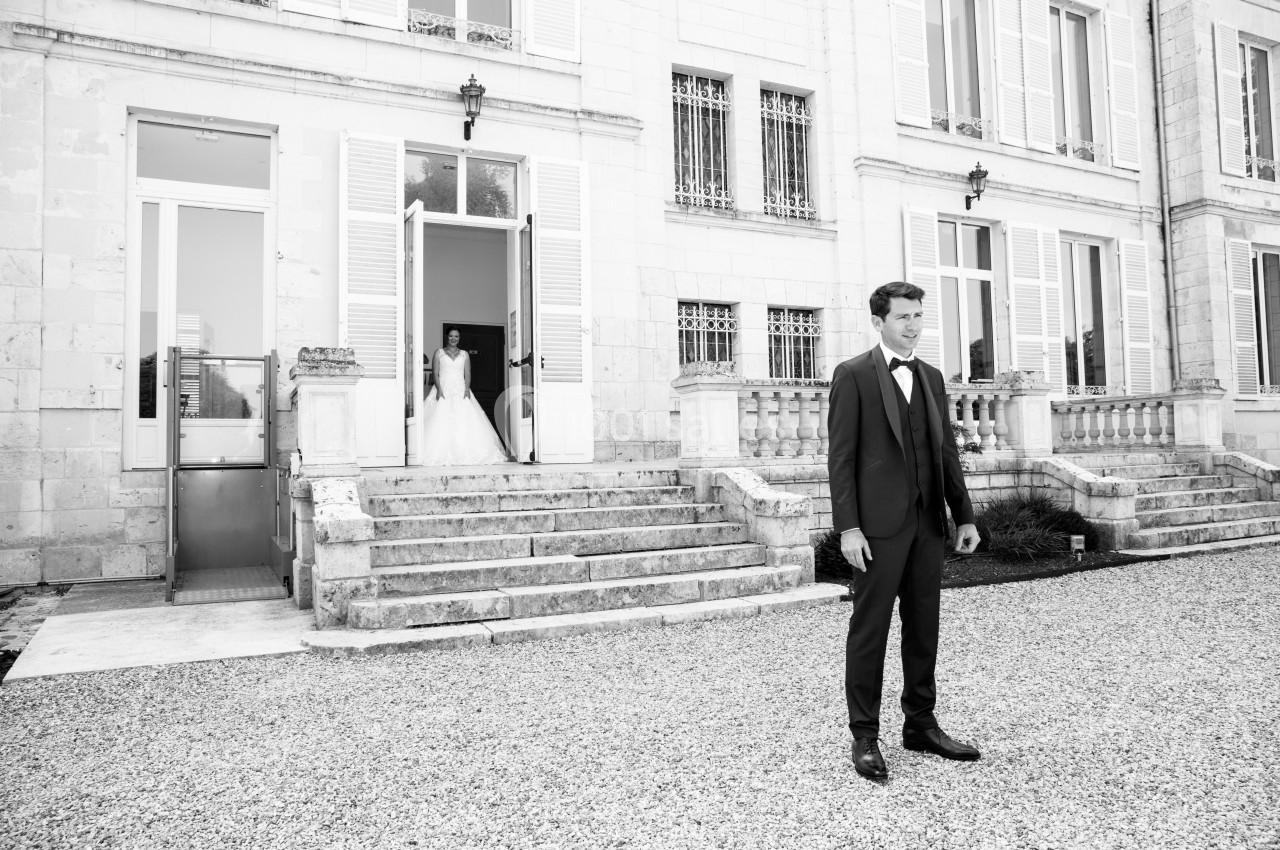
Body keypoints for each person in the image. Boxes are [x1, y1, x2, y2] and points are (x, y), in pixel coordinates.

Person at [826, 281, 982, 782]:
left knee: (923, 629)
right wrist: (849, 527)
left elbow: (945, 451)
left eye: (918, 316)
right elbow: (841, 459)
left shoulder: (931, 377)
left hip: (927, 525)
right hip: (876, 529)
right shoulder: (853, 375)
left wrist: (964, 514)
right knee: (869, 631)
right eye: (902, 317)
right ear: (879, 322)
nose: (913, 326)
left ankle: (920, 724)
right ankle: (865, 735)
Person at [420, 327, 509, 466]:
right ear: (447, 337)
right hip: (443, 388)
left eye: (456, 336)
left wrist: (466, 389)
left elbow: (467, 373)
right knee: (440, 418)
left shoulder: (464, 354)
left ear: (459, 338)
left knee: (464, 419)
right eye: (451, 336)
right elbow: (435, 373)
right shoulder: (439, 353)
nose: (453, 339)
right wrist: (439, 389)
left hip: (460, 389)